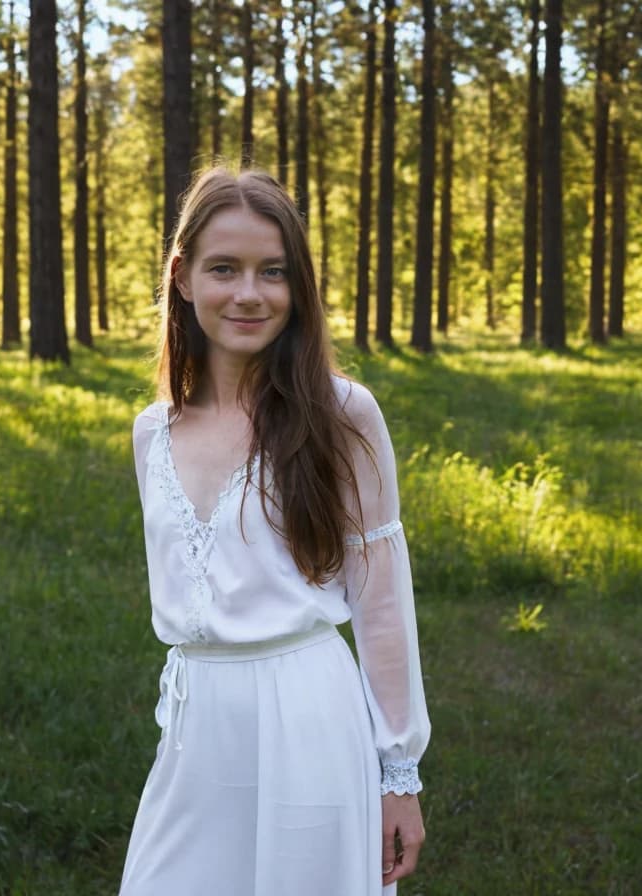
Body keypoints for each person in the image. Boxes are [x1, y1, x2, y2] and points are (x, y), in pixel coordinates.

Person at [120, 167, 431, 896]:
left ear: (299, 289)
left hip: (307, 716)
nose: (250, 293)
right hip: (198, 727)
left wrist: (399, 774)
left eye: (273, 272)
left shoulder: (342, 413)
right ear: (184, 277)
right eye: (224, 268)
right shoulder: (151, 433)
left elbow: (381, 602)